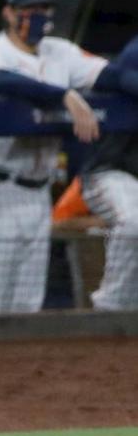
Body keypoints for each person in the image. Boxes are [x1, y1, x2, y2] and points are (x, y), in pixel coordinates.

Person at [0, 0, 107, 314]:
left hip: (39, 193)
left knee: (27, 307)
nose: (37, 15)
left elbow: (111, 75)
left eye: (44, 8)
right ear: (9, 13)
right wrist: (63, 94)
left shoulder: (61, 52)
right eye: (28, 8)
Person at [75, 33, 138, 310]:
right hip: (112, 169)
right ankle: (109, 307)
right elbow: (125, 76)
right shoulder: (134, 51)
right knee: (134, 221)